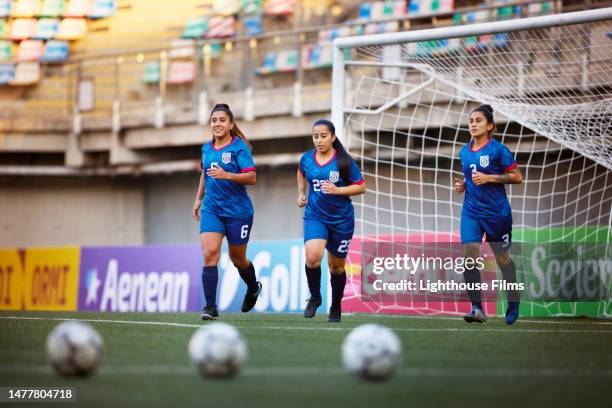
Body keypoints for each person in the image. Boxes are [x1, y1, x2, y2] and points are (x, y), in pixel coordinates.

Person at [454, 104, 523, 325]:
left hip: (497, 214)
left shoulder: (498, 150)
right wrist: (464, 184)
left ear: (490, 125)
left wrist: (490, 178)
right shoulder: (464, 152)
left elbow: (516, 177)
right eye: (471, 120)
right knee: (469, 256)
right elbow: (473, 176)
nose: (473, 124)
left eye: (478, 120)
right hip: (471, 212)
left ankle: (513, 298)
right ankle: (477, 308)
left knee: (502, 259)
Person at [192, 103, 261, 320]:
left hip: (238, 212)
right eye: (214, 120)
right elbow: (205, 174)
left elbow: (252, 177)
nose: (217, 124)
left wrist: (228, 175)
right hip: (212, 209)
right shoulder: (207, 148)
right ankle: (210, 307)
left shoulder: (238, 148)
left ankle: (252, 287)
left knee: (238, 259)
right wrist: (198, 199)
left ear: (230, 124)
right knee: (209, 254)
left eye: (222, 120)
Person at [297, 119, 366, 322]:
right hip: (315, 216)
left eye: (323, 136)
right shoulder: (307, 159)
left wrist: (338, 190)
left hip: (341, 220)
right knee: (313, 256)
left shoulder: (343, 161)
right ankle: (315, 296)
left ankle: (335, 306)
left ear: (333, 137)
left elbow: (361, 186)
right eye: (315, 136)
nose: (319, 140)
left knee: (336, 267)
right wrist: (302, 193)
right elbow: (301, 173)